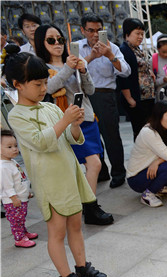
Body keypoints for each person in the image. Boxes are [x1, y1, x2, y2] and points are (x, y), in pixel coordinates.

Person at [5, 45, 109, 277]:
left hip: (68, 174)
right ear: (18, 84)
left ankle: (82, 267)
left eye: (44, 83)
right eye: (38, 84)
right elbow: (41, 142)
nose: (43, 89)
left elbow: (72, 140)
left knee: (75, 225)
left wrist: (74, 124)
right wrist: (65, 121)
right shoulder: (17, 115)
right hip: (50, 181)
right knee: (57, 230)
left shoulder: (50, 107)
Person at [36, 24, 113, 225]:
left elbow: (90, 90)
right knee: (89, 164)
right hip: (66, 121)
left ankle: (88, 206)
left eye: (60, 39)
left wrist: (83, 70)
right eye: (50, 40)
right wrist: (69, 68)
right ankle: (89, 206)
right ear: (41, 43)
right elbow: (48, 89)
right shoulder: (42, 68)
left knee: (94, 164)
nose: (57, 44)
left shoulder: (73, 62)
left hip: (86, 117)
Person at [78, 13, 131, 189]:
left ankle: (118, 173)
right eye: (90, 30)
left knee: (111, 136)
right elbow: (70, 69)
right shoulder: (76, 48)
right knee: (90, 137)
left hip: (105, 94)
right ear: (83, 31)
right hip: (83, 96)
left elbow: (125, 71)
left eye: (99, 30)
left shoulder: (113, 48)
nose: (95, 34)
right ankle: (100, 171)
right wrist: (91, 57)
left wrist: (109, 56)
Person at [126, 101, 167, 208]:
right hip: (136, 178)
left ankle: (160, 187)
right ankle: (147, 195)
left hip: (151, 169)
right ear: (159, 116)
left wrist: (158, 161)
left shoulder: (164, 129)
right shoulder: (148, 132)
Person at [118, 18, 155, 140]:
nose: (140, 37)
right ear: (127, 34)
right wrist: (129, 98)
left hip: (146, 97)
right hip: (137, 99)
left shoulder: (136, 49)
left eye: (142, 34)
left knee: (149, 130)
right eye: (137, 34)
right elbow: (123, 77)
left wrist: (149, 72)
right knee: (140, 132)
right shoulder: (124, 50)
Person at [1, 130, 38, 248]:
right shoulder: (3, 167)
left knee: (21, 218)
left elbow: (19, 180)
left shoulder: (12, 161)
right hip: (13, 201)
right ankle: (19, 239)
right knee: (16, 221)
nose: (14, 149)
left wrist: (26, 193)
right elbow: (7, 185)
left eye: (15, 146)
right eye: (9, 147)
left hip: (20, 198)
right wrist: (13, 197)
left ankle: (23, 232)